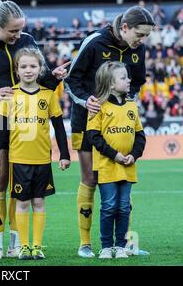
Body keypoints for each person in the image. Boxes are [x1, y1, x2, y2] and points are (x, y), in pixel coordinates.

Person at [0, 0, 70, 260]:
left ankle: (15, 243)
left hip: (28, 124)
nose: (19, 36)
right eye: (13, 31)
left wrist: (53, 77)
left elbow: (39, 76)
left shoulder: (28, 40)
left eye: (21, 30)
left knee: (18, 184)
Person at [64, 5, 154, 258]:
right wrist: (86, 101)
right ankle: (85, 243)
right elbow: (72, 79)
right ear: (124, 28)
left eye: (146, 36)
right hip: (88, 119)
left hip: (120, 121)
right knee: (91, 180)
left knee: (123, 178)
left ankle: (125, 244)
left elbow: (137, 81)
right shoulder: (94, 42)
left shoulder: (138, 49)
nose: (142, 41)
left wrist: (125, 103)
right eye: (139, 35)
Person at [0, 48, 71, 260]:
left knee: (39, 202)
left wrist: (64, 154)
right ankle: (23, 246)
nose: (28, 70)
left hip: (42, 159)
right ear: (17, 70)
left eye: (33, 66)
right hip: (18, 159)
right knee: (22, 203)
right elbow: (1, 129)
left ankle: (37, 246)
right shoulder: (10, 96)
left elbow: (59, 127)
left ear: (41, 69)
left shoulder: (48, 95)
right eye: (23, 66)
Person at [86, 61, 146, 259]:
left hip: (128, 166)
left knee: (123, 207)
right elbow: (94, 137)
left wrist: (133, 155)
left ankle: (120, 246)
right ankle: (105, 246)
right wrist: (115, 155)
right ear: (110, 84)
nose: (129, 80)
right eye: (123, 77)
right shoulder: (98, 106)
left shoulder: (131, 106)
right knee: (109, 206)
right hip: (107, 166)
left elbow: (140, 135)